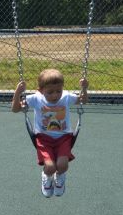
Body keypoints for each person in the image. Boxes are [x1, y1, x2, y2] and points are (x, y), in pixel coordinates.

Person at [11, 68, 88, 198]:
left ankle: (60, 178)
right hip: (43, 138)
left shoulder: (66, 97)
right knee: (51, 167)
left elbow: (83, 101)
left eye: (58, 91)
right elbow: (15, 109)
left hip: (64, 138)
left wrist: (84, 88)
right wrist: (18, 92)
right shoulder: (36, 99)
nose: (55, 95)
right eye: (50, 92)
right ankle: (47, 177)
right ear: (41, 91)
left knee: (62, 165)